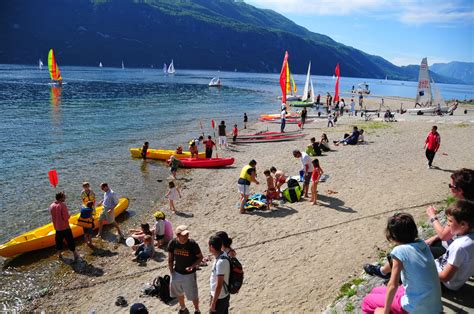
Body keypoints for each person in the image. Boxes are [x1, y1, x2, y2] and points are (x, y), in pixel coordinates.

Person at [361, 213, 442, 314]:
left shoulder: (399, 251)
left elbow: (393, 284)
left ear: (393, 235)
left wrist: (385, 311)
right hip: (434, 305)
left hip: (416, 308)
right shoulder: (421, 244)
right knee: (376, 291)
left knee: (367, 301)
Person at [425, 168, 474, 257]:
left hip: (451, 250)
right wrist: (435, 237)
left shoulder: (462, 210)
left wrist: (432, 216)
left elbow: (444, 236)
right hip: (461, 245)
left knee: (408, 252)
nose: (450, 188)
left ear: (460, 190)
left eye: (450, 186)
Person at [435, 199, 474, 291]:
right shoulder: (467, 241)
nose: (447, 224)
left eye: (450, 221)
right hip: (449, 270)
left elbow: (445, 277)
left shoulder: (459, 246)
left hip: (445, 284)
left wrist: (425, 271)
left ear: (463, 224)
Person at [168, 225, 203, 314]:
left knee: (193, 294)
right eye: (184, 235)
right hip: (177, 272)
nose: (186, 236)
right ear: (178, 235)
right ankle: (183, 308)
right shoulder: (173, 243)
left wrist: (192, 266)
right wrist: (172, 272)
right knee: (179, 293)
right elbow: (170, 259)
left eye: (187, 234)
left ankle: (196, 310)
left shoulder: (192, 244)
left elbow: (200, 258)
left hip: (189, 274)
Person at [50, 192, 80, 261]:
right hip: (65, 227)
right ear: (61, 198)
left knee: (58, 241)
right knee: (70, 241)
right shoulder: (62, 205)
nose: (65, 197)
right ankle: (75, 254)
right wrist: (69, 216)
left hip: (57, 227)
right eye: (64, 197)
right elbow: (66, 217)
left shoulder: (52, 205)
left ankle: (59, 254)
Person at [208, 236, 231, 314]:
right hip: (224, 295)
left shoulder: (220, 263)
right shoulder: (223, 254)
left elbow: (219, 285)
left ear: (211, 247)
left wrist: (214, 303)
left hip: (219, 297)